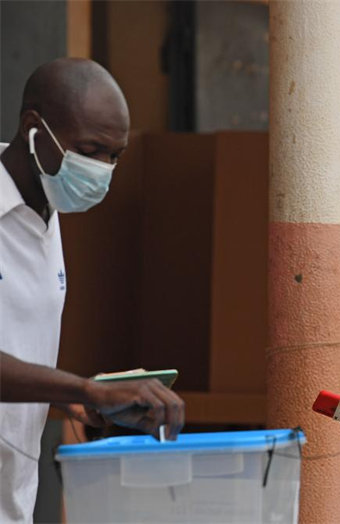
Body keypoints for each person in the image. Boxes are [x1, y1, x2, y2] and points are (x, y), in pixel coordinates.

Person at [0, 58, 185, 522]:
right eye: (90, 150)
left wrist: (80, 399)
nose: (101, 169)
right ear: (33, 129)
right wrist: (85, 388)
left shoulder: (47, 207)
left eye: (114, 156)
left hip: (13, 492)